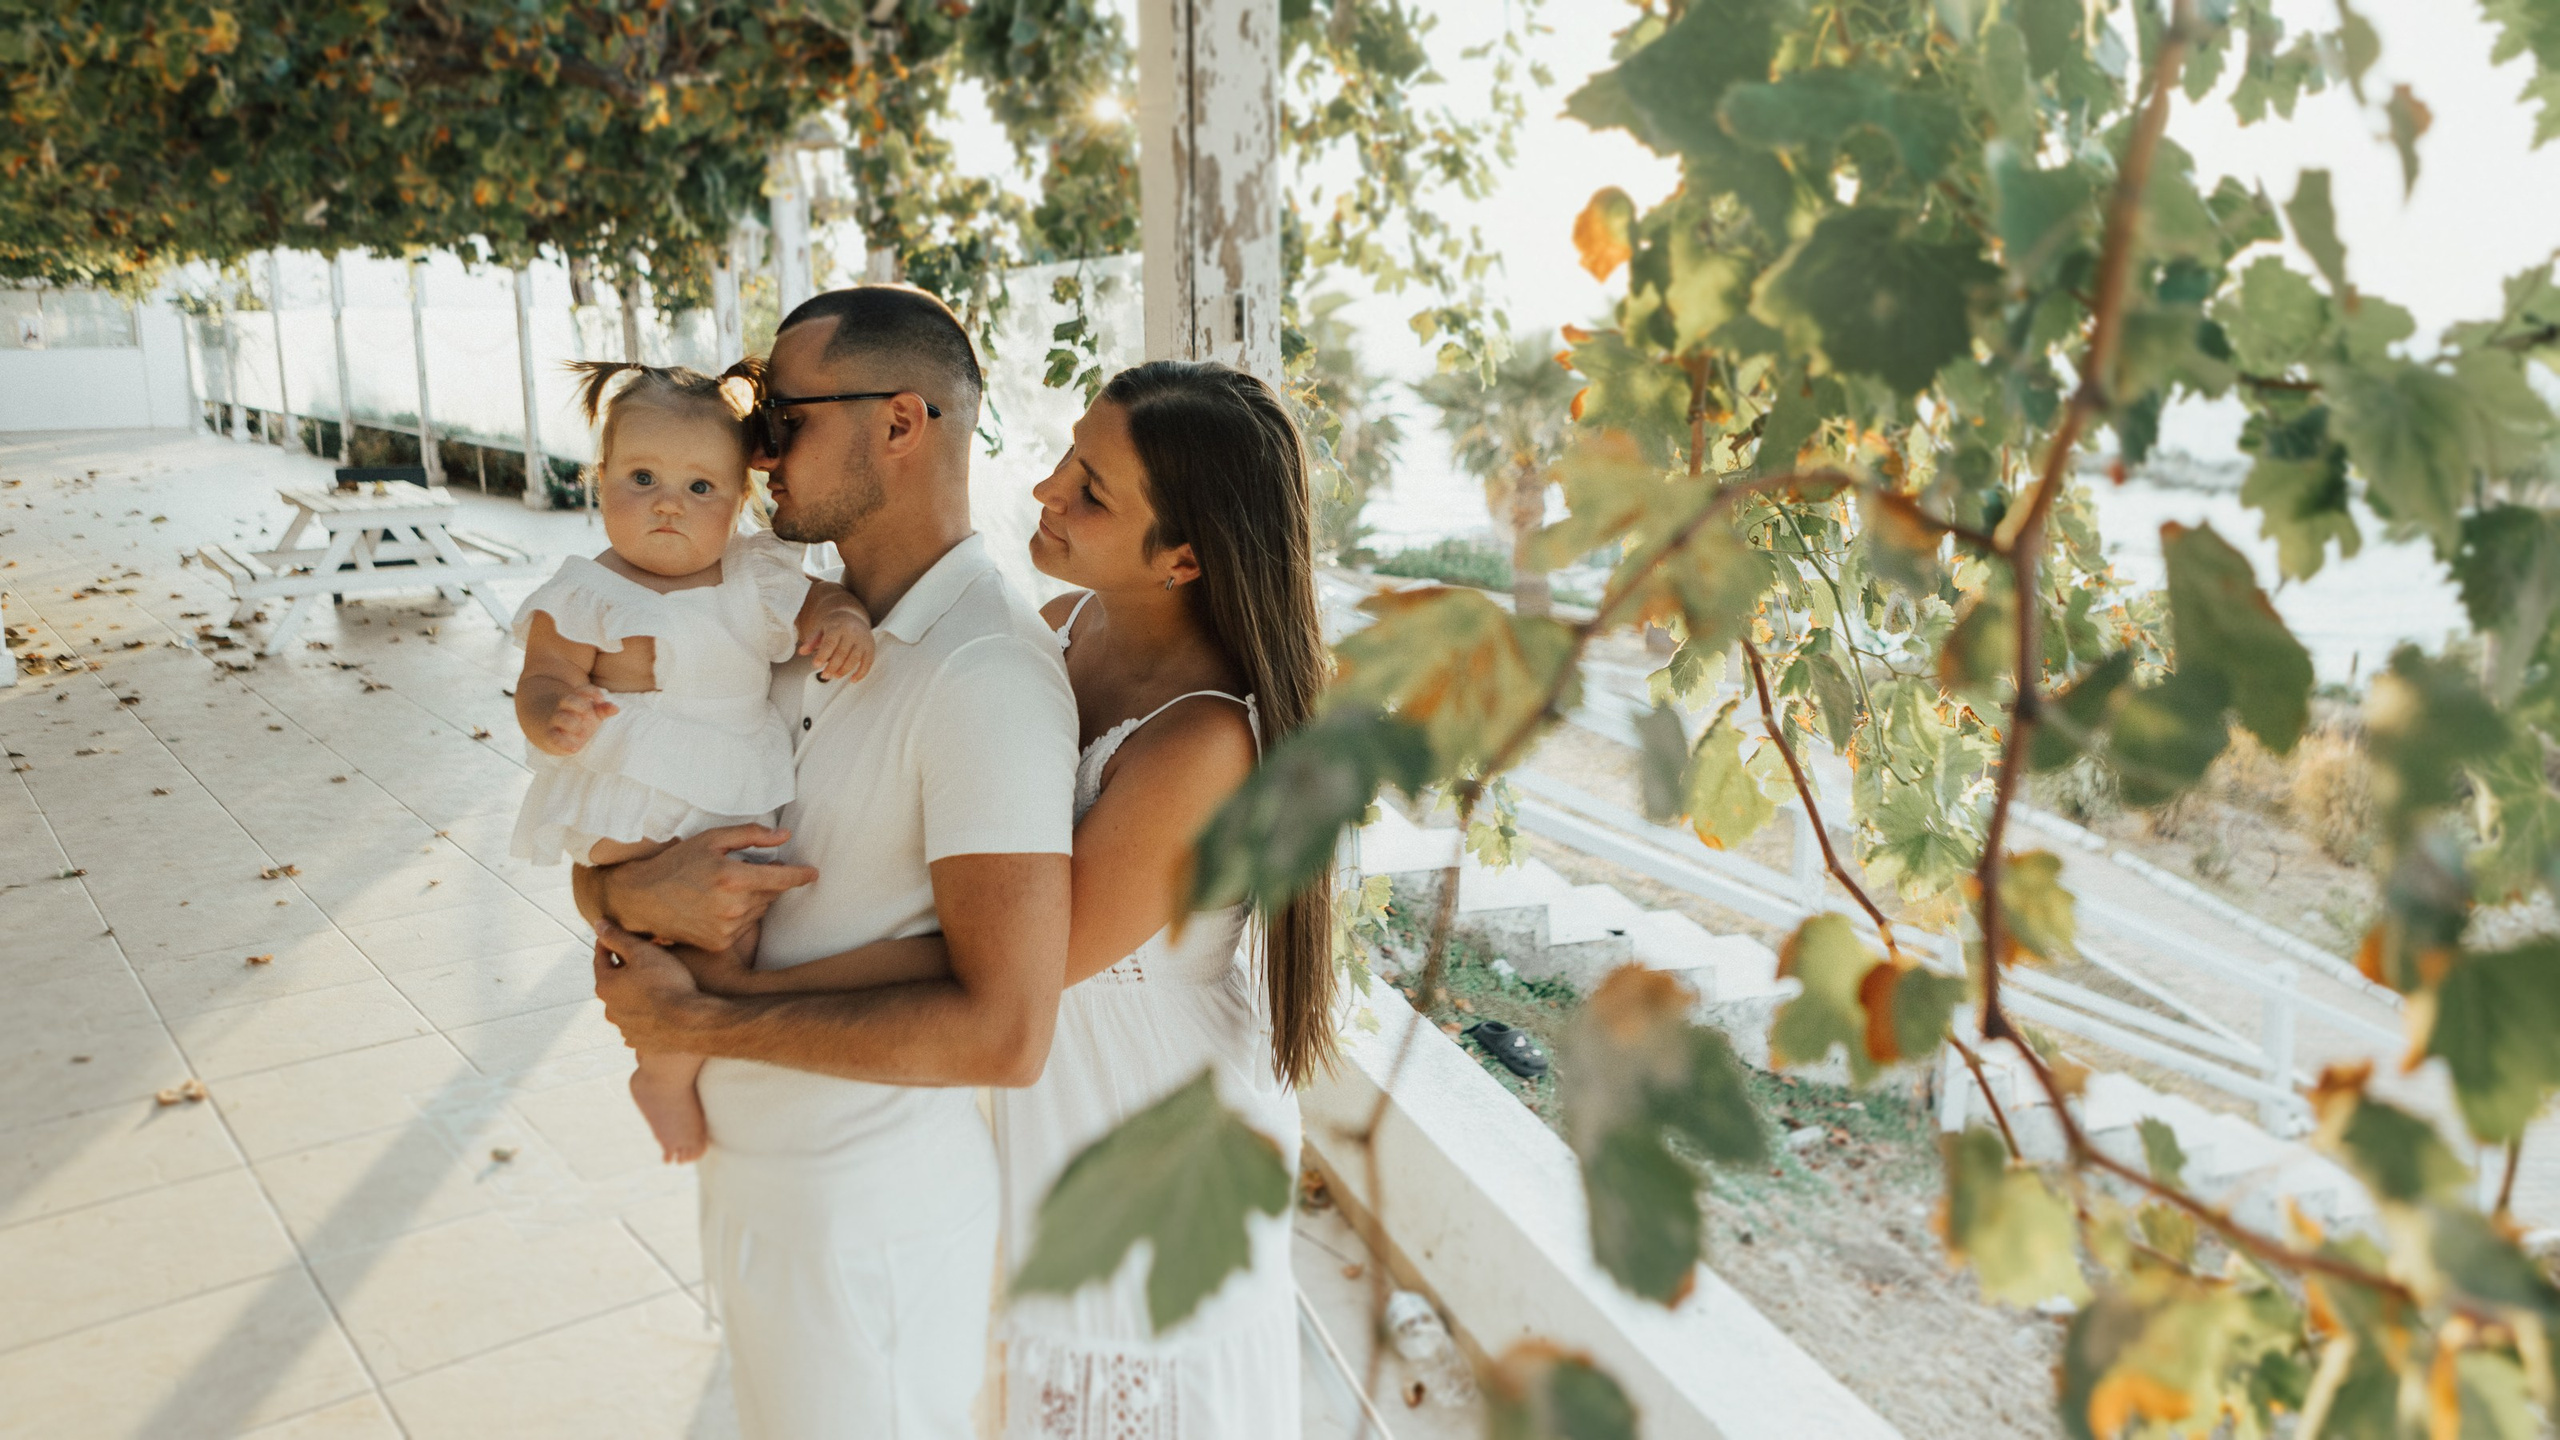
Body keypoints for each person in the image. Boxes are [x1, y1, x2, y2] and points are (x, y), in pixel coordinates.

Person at [643, 360, 1336, 1439]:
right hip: (1040, 1116)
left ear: (1186, 557)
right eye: (1068, 456)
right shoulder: (1060, 626)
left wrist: (728, 994)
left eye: (1092, 490)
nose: (1047, 490)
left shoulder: (1206, 742)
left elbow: (1019, 960)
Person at [581, 286, 1080, 1440]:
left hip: (868, 1217)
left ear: (900, 424)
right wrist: (613, 893)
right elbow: (620, 823)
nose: (751, 451)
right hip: (758, 1169)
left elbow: (1005, 1031)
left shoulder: (986, 676)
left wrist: (699, 1022)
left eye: (781, 415)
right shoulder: (785, 621)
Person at [507, 359, 874, 1164]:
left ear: (740, 499)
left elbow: (820, 601)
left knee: (727, 946)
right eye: (641, 477)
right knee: (668, 940)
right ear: (597, 481)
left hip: (728, 792)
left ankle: (673, 1063)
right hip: (633, 804)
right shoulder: (583, 592)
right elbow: (541, 679)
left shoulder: (754, 575)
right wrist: (552, 715)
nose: (670, 502)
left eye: (701, 487)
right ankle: (664, 1075)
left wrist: (843, 616)